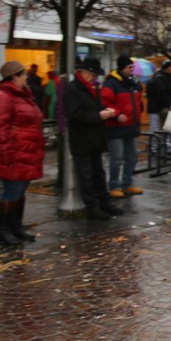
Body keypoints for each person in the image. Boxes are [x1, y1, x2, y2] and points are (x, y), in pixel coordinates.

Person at [0, 60, 45, 245]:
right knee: (12, 191)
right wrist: (7, 155)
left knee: (19, 191)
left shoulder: (22, 95)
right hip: (14, 153)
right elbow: (0, 129)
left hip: (25, 152)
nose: (26, 77)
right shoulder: (3, 97)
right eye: (23, 74)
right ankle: (3, 232)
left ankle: (16, 228)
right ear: (14, 77)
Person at [63, 57, 124, 220]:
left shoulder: (93, 88)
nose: (95, 78)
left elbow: (97, 108)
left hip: (95, 137)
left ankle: (104, 203)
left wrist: (112, 115)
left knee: (98, 172)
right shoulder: (72, 89)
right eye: (92, 74)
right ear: (83, 72)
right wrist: (99, 115)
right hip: (81, 139)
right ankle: (92, 207)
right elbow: (74, 114)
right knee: (86, 175)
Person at [101, 55, 144, 198]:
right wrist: (117, 114)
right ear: (121, 67)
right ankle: (114, 185)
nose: (131, 69)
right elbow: (105, 103)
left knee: (132, 157)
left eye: (132, 67)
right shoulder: (111, 83)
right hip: (115, 127)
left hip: (131, 126)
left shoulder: (133, 83)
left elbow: (138, 101)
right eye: (128, 67)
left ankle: (127, 184)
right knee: (117, 158)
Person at [146, 60, 171, 137]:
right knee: (157, 132)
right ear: (166, 68)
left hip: (157, 108)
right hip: (157, 109)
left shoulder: (165, 77)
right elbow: (162, 93)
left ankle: (160, 147)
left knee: (159, 131)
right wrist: (170, 104)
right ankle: (156, 148)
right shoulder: (161, 78)